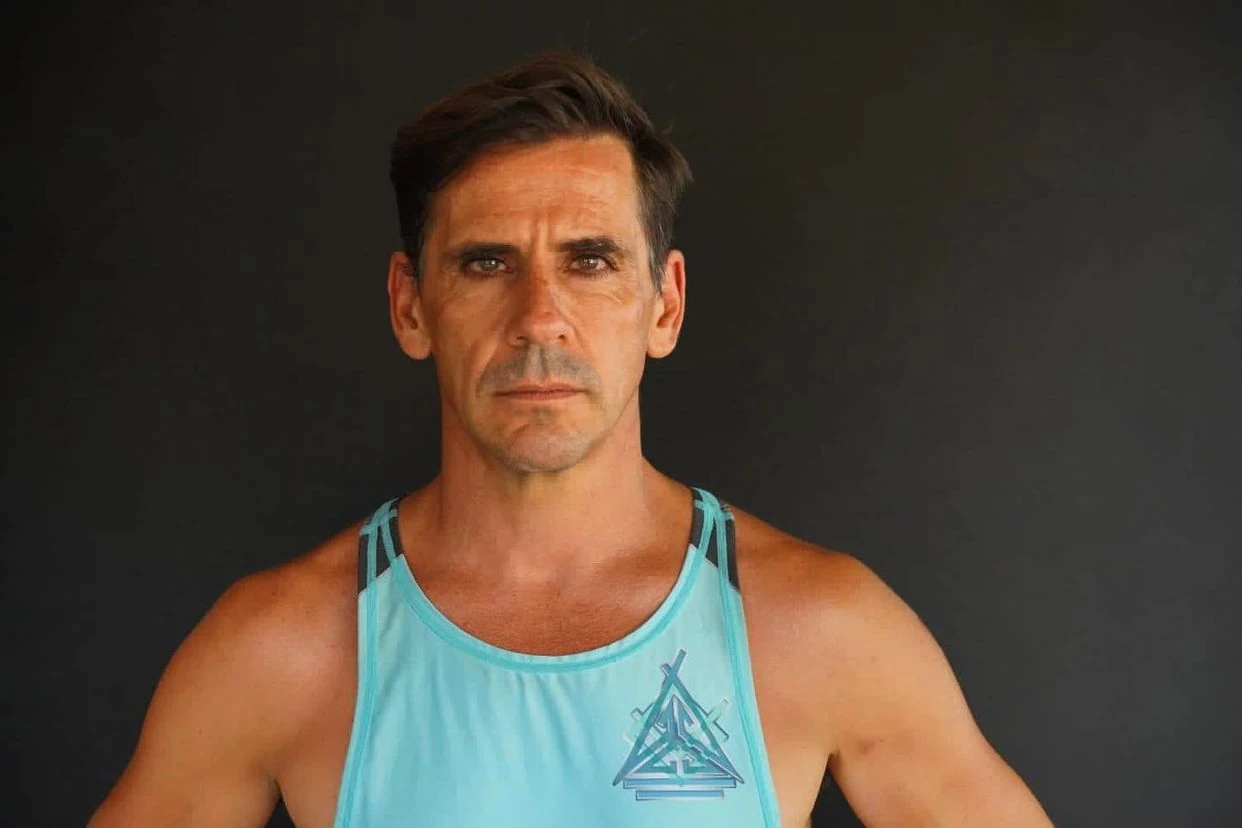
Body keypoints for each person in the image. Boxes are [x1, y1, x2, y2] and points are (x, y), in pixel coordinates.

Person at [90, 49, 1053, 827]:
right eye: (487, 264)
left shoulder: (818, 631)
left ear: (664, 304)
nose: (540, 317)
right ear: (410, 306)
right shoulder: (281, 652)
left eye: (590, 262)